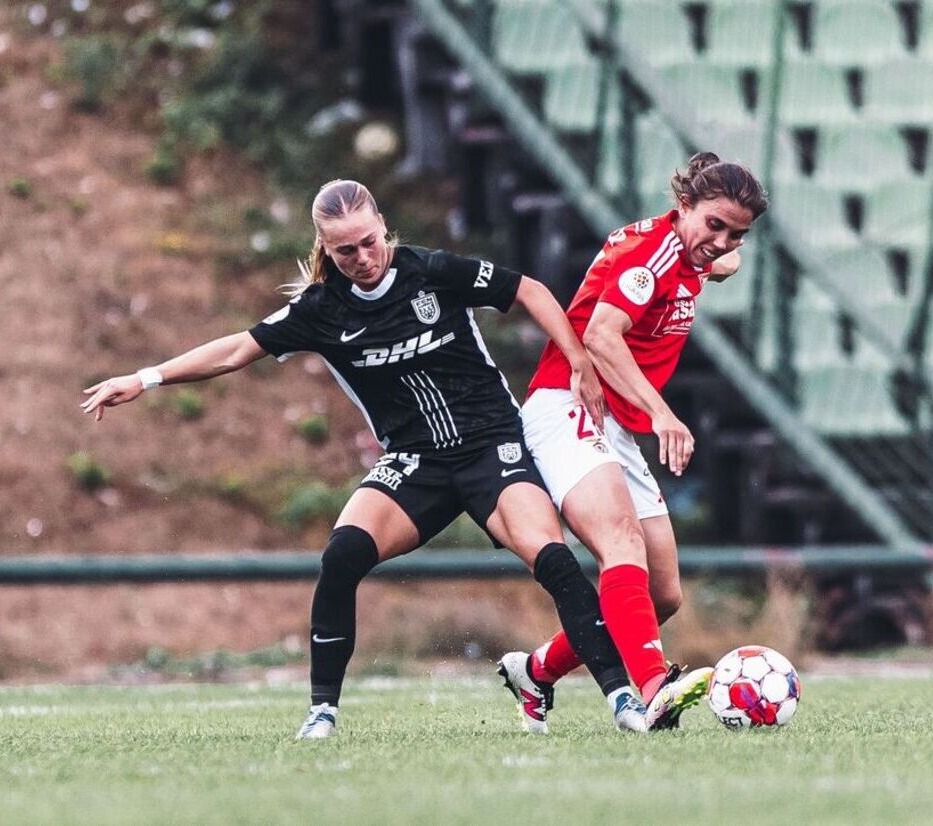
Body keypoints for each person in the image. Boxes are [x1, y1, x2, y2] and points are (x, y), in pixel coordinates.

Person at [81, 179, 649, 738]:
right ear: (325, 249)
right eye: (345, 250)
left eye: (370, 241)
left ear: (383, 227)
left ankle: (622, 699)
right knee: (343, 554)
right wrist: (145, 377)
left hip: (489, 446)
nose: (363, 257)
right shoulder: (320, 310)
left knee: (552, 558)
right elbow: (235, 350)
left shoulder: (429, 271)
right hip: (416, 462)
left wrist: (577, 359)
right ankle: (322, 712)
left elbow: (528, 289)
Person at [497, 152, 767, 732]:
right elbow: (600, 335)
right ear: (683, 207)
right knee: (620, 539)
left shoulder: (693, 254)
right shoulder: (653, 254)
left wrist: (718, 257)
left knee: (663, 595)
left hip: (615, 422)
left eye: (736, 233)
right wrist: (665, 415)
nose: (720, 241)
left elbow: (722, 263)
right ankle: (653, 689)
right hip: (566, 403)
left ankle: (537, 671)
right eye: (713, 224)